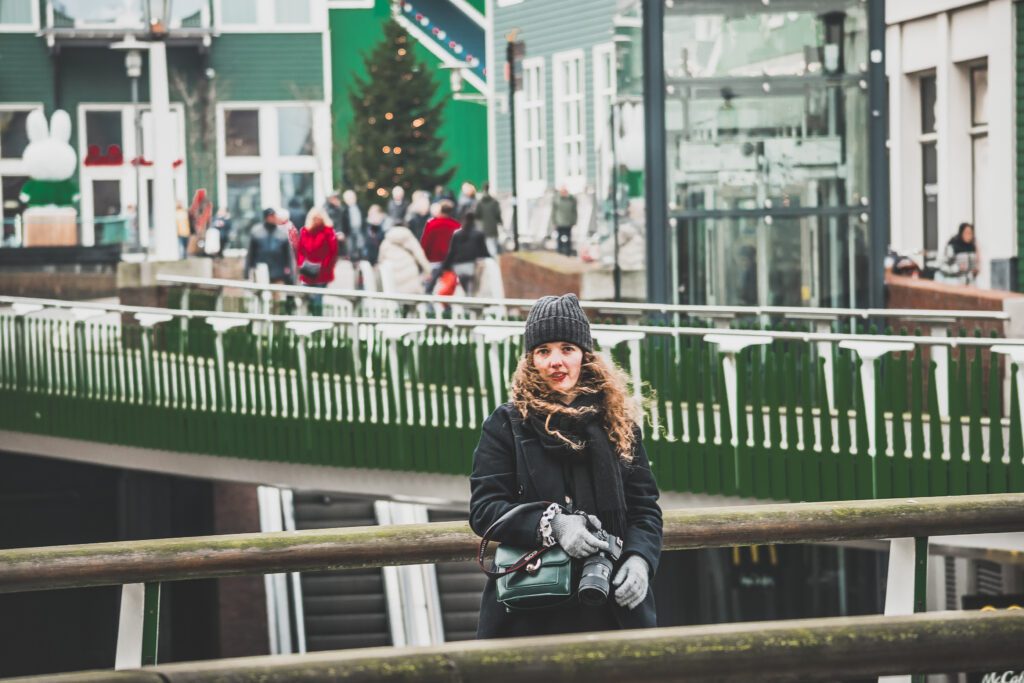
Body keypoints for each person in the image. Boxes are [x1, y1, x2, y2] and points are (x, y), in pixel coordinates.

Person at [469, 294, 662, 639]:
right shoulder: (506, 424)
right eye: (543, 351)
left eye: (566, 349)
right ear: (531, 360)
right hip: (533, 612)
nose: (556, 361)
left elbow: (645, 508)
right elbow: (484, 510)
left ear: (585, 356)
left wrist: (640, 560)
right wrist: (554, 524)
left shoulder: (618, 422)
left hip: (611, 604)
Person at [295, 207, 339, 316]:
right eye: (314, 218)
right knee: (307, 297)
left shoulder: (328, 232)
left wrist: (324, 267)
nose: (317, 220)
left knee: (318, 298)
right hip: (307, 271)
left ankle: (318, 323)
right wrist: (302, 264)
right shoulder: (305, 231)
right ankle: (310, 321)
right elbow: (300, 250)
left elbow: (332, 252)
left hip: (322, 272)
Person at [440, 212, 490, 296]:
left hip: (458, 267)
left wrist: (445, 267)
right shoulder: (479, 234)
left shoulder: (457, 234)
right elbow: (484, 252)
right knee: (473, 288)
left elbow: (452, 252)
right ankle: (470, 300)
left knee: (465, 288)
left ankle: (468, 298)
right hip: (472, 266)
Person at [377, 221, 432, 295]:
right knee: (413, 299)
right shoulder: (409, 237)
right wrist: (428, 270)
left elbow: (381, 260)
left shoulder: (386, 241)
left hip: (393, 276)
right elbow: (419, 254)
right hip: (410, 274)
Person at [246, 208, 297, 285]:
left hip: (278, 273)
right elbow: (251, 254)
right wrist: (247, 272)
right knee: (263, 295)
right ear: (266, 217)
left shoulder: (282, 234)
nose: (272, 218)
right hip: (260, 272)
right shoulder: (256, 232)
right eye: (270, 216)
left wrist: (291, 275)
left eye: (273, 216)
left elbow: (289, 256)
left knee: (277, 295)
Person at [420, 200, 461, 272]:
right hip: (451, 260)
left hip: (433, 260)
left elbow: (425, 242)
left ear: (440, 210)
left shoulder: (431, 224)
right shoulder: (457, 225)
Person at [475, 182, 503, 256]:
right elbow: (498, 214)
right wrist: (500, 222)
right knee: (494, 245)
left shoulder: (480, 202)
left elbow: (477, 214)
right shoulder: (494, 202)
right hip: (493, 227)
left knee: (488, 245)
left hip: (484, 227)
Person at [551, 186, 578, 257]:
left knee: (568, 238)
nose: (564, 193)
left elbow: (574, 211)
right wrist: (554, 222)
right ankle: (559, 252)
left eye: (565, 191)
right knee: (559, 238)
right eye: (562, 191)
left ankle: (567, 252)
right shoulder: (557, 199)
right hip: (559, 223)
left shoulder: (571, 199)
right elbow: (553, 212)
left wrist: (574, 221)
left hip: (568, 223)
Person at [337, 189, 364, 260]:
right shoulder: (344, 209)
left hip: (359, 230)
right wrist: (342, 232)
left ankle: (360, 260)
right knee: (351, 248)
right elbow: (341, 222)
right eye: (348, 198)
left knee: (360, 246)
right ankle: (353, 261)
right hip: (349, 231)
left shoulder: (360, 207)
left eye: (352, 198)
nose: (351, 200)